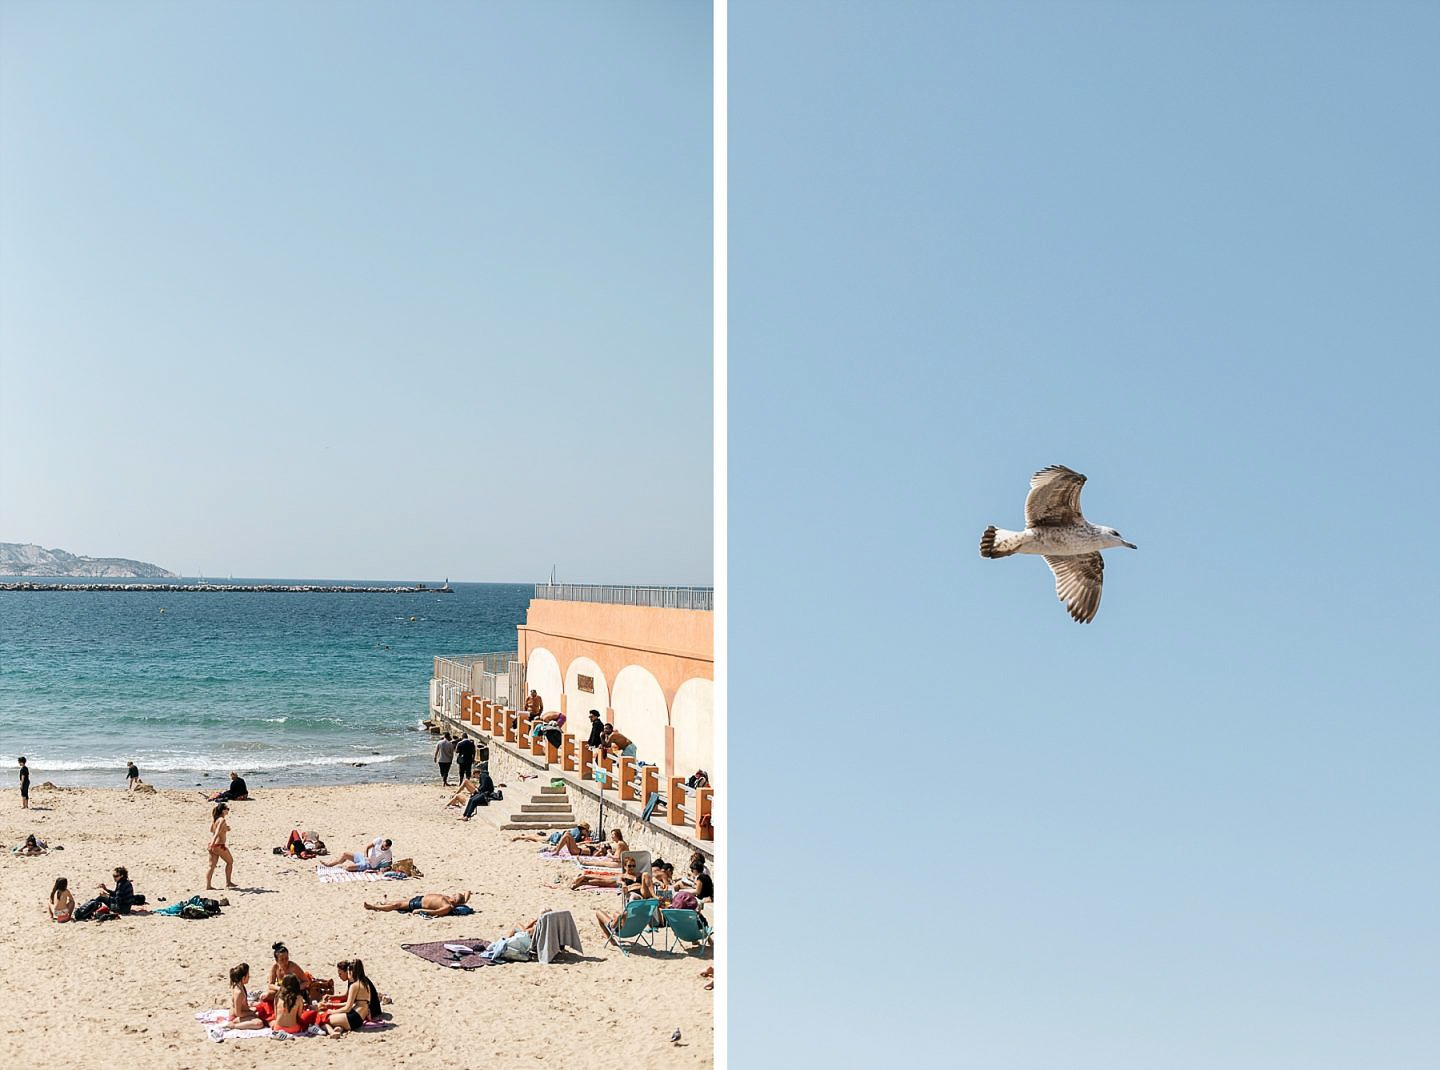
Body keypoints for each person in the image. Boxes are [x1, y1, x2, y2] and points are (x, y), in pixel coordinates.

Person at [322, 959, 379, 1036]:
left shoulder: (354, 985)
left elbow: (347, 1008)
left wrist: (332, 1011)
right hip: (359, 1018)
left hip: (353, 1018)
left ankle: (332, 1032)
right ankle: (338, 1029)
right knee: (338, 1021)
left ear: (351, 972)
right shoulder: (365, 983)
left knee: (324, 1019)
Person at [363, 890, 470, 917]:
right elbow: (467, 892)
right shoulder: (447, 899)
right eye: (454, 894)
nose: (453, 895)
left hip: (419, 905)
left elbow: (435, 912)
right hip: (420, 898)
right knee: (398, 902)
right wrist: (463, 900)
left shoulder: (447, 906)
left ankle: (373, 907)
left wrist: (420, 911)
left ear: (456, 902)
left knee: (396, 906)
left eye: (455, 896)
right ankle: (386, 902)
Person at [206, 802, 238, 890]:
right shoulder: (222, 820)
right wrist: (213, 843)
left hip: (213, 845)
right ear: (223, 811)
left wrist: (225, 829)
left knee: (211, 866)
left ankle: (208, 886)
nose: (228, 811)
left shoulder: (215, 819)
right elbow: (216, 832)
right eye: (227, 809)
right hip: (218, 845)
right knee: (230, 862)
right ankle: (228, 882)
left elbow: (212, 830)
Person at [226, 964, 268, 1030]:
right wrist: (251, 1012)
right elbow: (238, 1013)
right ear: (243, 978)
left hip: (243, 1012)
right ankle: (233, 1026)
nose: (249, 977)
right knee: (259, 1023)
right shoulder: (239, 992)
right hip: (236, 1017)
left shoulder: (240, 985)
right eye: (248, 975)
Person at [572, 853, 642, 892]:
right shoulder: (624, 875)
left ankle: (583, 881)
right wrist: (622, 883)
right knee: (601, 879)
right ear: (625, 867)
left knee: (601, 880)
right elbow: (619, 880)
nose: (632, 868)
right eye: (629, 866)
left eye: (633, 866)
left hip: (616, 881)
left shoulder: (638, 874)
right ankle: (583, 878)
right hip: (616, 881)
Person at [320, 837, 392, 872]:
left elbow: (389, 863)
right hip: (363, 857)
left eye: (385, 848)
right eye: (383, 846)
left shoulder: (388, 853)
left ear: (388, 847)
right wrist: (366, 857)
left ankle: (345, 867)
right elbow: (367, 847)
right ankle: (330, 864)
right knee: (345, 854)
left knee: (348, 868)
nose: (383, 848)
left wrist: (380, 868)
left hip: (368, 865)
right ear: (383, 842)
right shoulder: (379, 840)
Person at [552, 826, 626, 860]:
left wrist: (600, 850)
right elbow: (600, 843)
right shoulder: (612, 842)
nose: (612, 836)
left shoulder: (600, 852)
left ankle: (557, 851)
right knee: (567, 834)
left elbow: (594, 857)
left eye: (613, 835)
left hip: (576, 851)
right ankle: (557, 849)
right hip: (577, 849)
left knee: (567, 834)